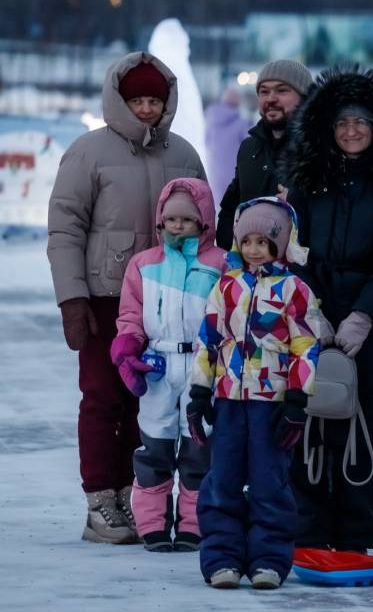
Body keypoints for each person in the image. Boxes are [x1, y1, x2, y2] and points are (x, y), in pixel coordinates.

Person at [47, 52, 205, 544]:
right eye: (136, 99)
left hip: (168, 302)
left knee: (148, 402)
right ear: (119, 101)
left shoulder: (182, 154)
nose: (145, 109)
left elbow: (206, 226)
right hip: (104, 297)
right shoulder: (87, 152)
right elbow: (65, 229)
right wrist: (72, 300)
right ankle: (101, 500)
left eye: (153, 100)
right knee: (103, 399)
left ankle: (135, 498)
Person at [278, 67, 373, 553]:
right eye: (342, 123)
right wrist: (311, 311)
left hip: (367, 325)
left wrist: (364, 314)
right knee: (309, 428)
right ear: (327, 129)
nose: (352, 130)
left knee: (358, 430)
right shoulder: (308, 181)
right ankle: (308, 532)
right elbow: (293, 250)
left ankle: (356, 538)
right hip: (307, 322)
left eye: (361, 122)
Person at [187, 197, 323, 590]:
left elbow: (306, 346)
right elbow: (207, 342)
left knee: (270, 483)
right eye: (247, 241)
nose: (253, 249)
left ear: (279, 246)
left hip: (273, 405)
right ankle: (221, 558)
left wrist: (298, 399)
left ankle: (268, 559)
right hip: (228, 401)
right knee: (222, 481)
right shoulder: (227, 286)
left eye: (263, 242)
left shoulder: (294, 289)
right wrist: (200, 392)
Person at [111, 178, 226, 552]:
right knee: (154, 450)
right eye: (171, 219)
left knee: (199, 450)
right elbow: (130, 313)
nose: (177, 226)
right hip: (159, 366)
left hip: (203, 367)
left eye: (187, 219)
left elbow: (232, 314)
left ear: (204, 221)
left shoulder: (220, 264)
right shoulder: (144, 265)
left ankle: (194, 524)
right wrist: (128, 348)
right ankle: (152, 524)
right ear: (160, 221)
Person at [216, 60, 313, 250]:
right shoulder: (249, 147)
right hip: (248, 272)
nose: (271, 98)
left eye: (282, 90)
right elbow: (230, 208)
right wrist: (233, 251)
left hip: (298, 275)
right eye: (264, 91)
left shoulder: (320, 149)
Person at [204, 87, 252, 205]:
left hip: (215, 171)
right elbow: (250, 145)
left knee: (216, 205)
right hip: (235, 172)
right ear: (238, 103)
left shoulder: (211, 120)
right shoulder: (241, 123)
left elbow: (206, 141)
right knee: (234, 207)